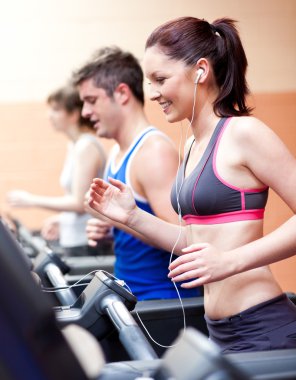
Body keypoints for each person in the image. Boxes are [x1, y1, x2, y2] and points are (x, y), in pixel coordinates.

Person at [87, 17, 296, 353]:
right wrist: (130, 216)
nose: (153, 93)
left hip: (261, 326)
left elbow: (222, 257)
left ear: (200, 71)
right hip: (219, 330)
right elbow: (192, 242)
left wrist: (231, 261)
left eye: (160, 79)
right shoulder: (191, 145)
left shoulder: (244, 133)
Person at [73, 46, 200, 300]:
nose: (85, 112)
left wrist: (119, 219)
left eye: (91, 100)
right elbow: (143, 226)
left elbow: (183, 241)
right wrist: (112, 230)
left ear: (121, 93)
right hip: (132, 298)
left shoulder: (153, 152)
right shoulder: (116, 153)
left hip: (163, 306)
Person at [7, 85, 109, 256]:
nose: (50, 116)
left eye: (56, 110)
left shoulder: (86, 146)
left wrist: (31, 200)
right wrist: (61, 219)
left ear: (74, 114)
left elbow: (79, 203)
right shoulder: (74, 145)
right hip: (74, 240)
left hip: (87, 243)